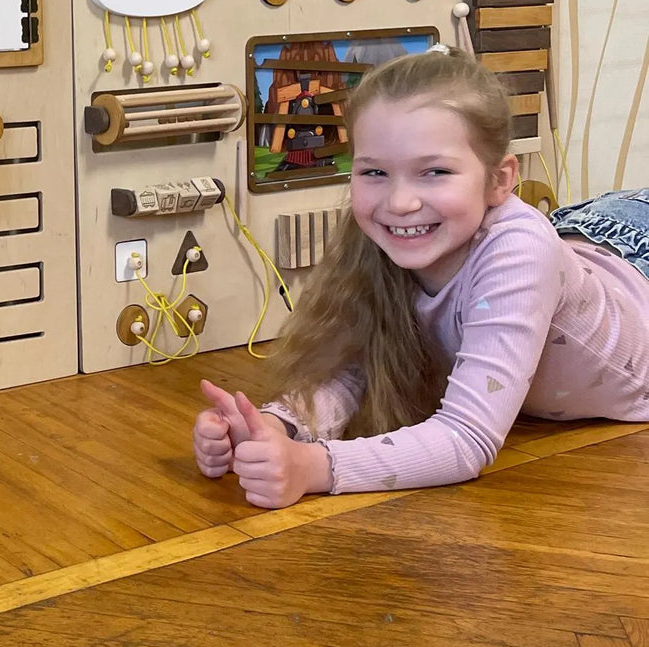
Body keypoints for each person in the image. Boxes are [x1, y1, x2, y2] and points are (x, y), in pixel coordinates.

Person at [193, 44, 649, 508]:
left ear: (499, 180)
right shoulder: (389, 240)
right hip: (588, 239)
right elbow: (360, 371)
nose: (400, 202)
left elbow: (467, 439)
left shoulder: (519, 250)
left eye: (433, 171)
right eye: (374, 171)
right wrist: (271, 429)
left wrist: (314, 466)